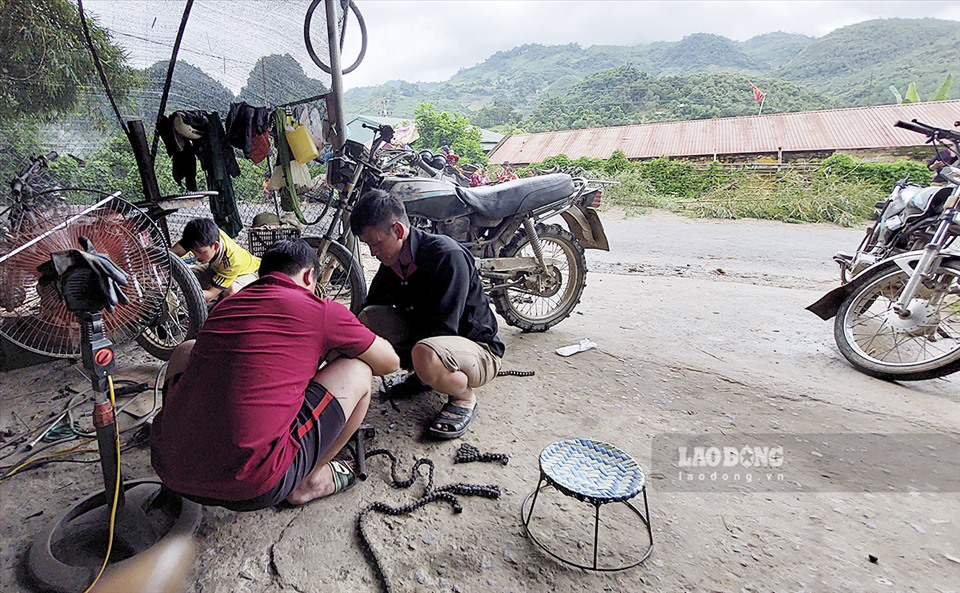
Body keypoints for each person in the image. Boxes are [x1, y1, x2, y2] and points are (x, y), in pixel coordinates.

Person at [151, 240, 400, 510]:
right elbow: (389, 362)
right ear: (308, 276)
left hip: (170, 470)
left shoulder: (227, 305)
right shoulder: (321, 309)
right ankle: (309, 481)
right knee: (358, 371)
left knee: (186, 351)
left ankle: (179, 441)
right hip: (252, 485)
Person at [351, 190, 504, 439]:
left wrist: (391, 359)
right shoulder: (393, 263)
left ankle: (464, 397)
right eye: (368, 245)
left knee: (425, 355)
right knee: (367, 319)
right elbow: (369, 310)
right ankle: (423, 376)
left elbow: (445, 328)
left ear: (398, 231)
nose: (372, 252)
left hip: (477, 349)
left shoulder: (446, 256)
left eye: (376, 243)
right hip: (429, 341)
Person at [171, 217, 260, 303]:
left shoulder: (231, 262)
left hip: (248, 273)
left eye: (199, 252)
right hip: (218, 269)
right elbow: (171, 254)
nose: (196, 256)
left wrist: (184, 295)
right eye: (193, 251)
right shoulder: (205, 236)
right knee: (186, 275)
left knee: (231, 292)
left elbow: (209, 295)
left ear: (216, 246)